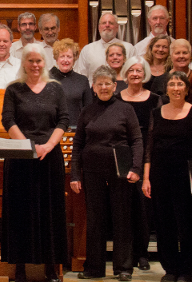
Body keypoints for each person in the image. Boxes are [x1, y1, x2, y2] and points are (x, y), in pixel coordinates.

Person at [1, 43, 69, 282]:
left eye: (39, 60)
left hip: (49, 157)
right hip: (21, 158)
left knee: (50, 212)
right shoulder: (14, 89)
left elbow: (63, 120)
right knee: (20, 212)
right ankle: (20, 269)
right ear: (24, 63)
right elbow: (8, 120)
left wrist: (48, 146)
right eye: (30, 60)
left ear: (45, 62)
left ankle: (51, 268)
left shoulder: (55, 89)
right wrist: (28, 147)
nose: (35, 65)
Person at [70, 65, 143, 281]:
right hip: (92, 171)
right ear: (93, 87)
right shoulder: (86, 111)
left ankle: (123, 269)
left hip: (120, 170)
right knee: (95, 220)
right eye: (99, 83)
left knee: (121, 218)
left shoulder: (125, 109)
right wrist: (75, 174)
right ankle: (94, 268)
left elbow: (137, 140)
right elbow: (78, 144)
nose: (103, 87)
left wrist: (136, 168)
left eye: (107, 83)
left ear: (114, 86)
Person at [142, 72, 192, 282]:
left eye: (180, 84)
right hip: (159, 174)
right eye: (172, 84)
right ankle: (170, 268)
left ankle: (188, 269)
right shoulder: (156, 111)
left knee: (187, 223)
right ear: (167, 89)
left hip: (186, 174)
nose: (176, 87)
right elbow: (149, 148)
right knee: (164, 222)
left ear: (186, 89)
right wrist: (146, 178)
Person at [117, 56, 162, 271]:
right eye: (131, 70)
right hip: (122, 154)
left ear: (145, 74)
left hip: (146, 153)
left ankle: (142, 254)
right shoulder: (117, 98)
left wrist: (148, 157)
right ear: (125, 73)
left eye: (139, 70)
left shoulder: (155, 99)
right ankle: (126, 255)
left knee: (144, 208)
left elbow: (155, 132)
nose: (135, 74)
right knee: (124, 207)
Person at [75, 13, 136, 85]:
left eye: (111, 23)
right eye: (104, 23)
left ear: (117, 27)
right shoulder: (87, 50)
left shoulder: (129, 48)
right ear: (99, 27)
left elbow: (134, 73)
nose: (107, 25)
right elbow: (81, 77)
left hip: (123, 93)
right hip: (93, 94)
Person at [49, 38, 92, 126]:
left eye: (69, 57)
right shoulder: (48, 80)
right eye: (62, 56)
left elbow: (89, 110)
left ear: (74, 59)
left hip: (76, 129)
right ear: (57, 59)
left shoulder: (83, 80)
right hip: (53, 130)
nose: (65, 60)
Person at [143, 35, 171, 101]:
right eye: (157, 46)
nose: (160, 50)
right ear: (151, 48)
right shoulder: (143, 67)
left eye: (165, 47)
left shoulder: (172, 69)